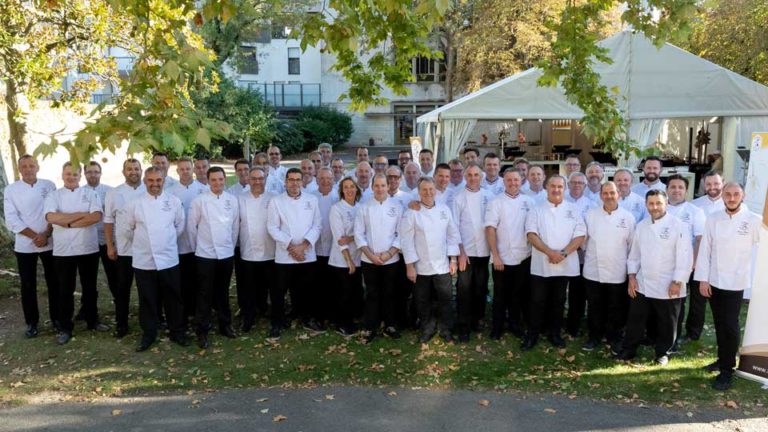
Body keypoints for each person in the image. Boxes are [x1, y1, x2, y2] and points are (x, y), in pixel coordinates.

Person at [695, 183, 762, 390]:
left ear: (743, 195)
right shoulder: (714, 219)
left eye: (736, 194)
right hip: (714, 280)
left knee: (730, 325)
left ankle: (727, 370)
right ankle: (722, 359)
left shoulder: (754, 220)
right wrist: (703, 279)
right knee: (719, 323)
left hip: (737, 281)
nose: (732, 198)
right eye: (728, 194)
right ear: (723, 196)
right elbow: (705, 250)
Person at [615, 190, 692, 366]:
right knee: (636, 319)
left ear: (666, 204)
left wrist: (677, 281)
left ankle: (663, 352)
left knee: (667, 322)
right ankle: (629, 349)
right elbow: (634, 254)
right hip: (643, 282)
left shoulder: (678, 226)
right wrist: (632, 276)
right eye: (651, 204)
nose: (655, 207)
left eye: (658, 203)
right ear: (646, 205)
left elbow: (685, 256)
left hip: (669, 283)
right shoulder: (641, 226)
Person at [124, 167, 189, 351]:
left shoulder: (174, 201)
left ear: (163, 181)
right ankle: (149, 334)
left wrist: (166, 242)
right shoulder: (134, 204)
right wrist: (144, 244)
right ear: (145, 182)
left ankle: (177, 331)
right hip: (144, 259)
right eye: (151, 181)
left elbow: (179, 226)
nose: (155, 184)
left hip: (168, 258)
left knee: (174, 297)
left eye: (158, 180)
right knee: (147, 298)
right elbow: (128, 230)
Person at [44, 162, 106, 345]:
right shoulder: (53, 196)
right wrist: (80, 215)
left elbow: (95, 217)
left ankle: (92, 320)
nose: (71, 177)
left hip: (88, 247)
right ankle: (65, 327)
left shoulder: (90, 194)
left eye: (75, 174)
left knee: (90, 287)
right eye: (68, 174)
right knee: (65, 289)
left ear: (81, 176)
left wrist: (66, 221)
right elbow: (50, 217)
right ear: (62, 175)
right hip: (63, 251)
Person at [522, 175, 586, 351]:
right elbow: (531, 234)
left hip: (564, 264)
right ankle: (533, 334)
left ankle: (554, 333)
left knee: (558, 300)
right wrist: (550, 252)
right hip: (541, 263)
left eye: (560, 186)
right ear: (546, 188)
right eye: (553, 186)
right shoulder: (536, 210)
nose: (556, 190)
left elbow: (580, 235)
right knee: (537, 300)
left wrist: (563, 254)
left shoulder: (574, 210)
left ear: (564, 189)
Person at [4, 155, 59, 338]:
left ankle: (57, 319)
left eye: (31, 166)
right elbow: (12, 219)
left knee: (54, 282)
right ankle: (32, 323)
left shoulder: (49, 185)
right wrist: (35, 236)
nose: (28, 169)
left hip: (49, 241)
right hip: (25, 244)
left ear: (38, 167)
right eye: (24, 166)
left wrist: (47, 233)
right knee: (28, 285)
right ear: (19, 169)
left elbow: (55, 211)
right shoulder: (11, 190)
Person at [401, 177, 460, 343]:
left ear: (435, 191)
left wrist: (453, 259)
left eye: (431, 189)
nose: (428, 193)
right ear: (419, 192)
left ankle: (446, 329)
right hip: (421, 265)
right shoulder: (411, 213)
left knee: (446, 299)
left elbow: (452, 235)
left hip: (442, 264)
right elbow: (406, 241)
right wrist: (410, 266)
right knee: (422, 300)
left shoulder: (444, 210)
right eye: (424, 190)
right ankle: (427, 328)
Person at [267, 168, 323, 339]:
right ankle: (277, 323)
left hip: (307, 254)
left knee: (308, 289)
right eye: (291, 180)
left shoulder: (312, 200)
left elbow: (317, 225)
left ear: (302, 182)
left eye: (298, 179)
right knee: (279, 292)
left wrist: (303, 246)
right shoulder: (276, 201)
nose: (294, 183)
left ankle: (307, 318)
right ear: (285, 182)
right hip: (285, 255)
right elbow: (272, 227)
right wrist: (292, 247)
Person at [187, 166, 240, 349]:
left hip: (226, 254)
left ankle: (225, 325)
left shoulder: (232, 200)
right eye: (214, 180)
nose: (217, 183)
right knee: (204, 293)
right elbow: (191, 229)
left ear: (225, 180)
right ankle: (202, 330)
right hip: (205, 254)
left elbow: (235, 228)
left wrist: (229, 248)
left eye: (220, 179)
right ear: (208, 181)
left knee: (223, 292)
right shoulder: (199, 201)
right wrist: (199, 249)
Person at [582, 182, 635, 352]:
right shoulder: (590, 215)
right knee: (594, 305)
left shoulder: (628, 217)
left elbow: (632, 246)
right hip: (593, 269)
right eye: (605, 193)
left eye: (612, 193)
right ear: (600, 196)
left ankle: (615, 338)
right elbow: (583, 242)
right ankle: (594, 336)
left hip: (617, 270)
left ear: (618, 194)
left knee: (616, 306)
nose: (609, 196)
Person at [354, 174, 404, 342]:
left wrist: (389, 253)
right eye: (377, 185)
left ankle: (390, 324)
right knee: (372, 293)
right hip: (369, 259)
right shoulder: (364, 207)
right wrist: (371, 255)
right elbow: (359, 235)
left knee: (390, 293)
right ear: (372, 187)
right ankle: (370, 326)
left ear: (388, 187)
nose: (380, 189)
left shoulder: (396, 207)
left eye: (383, 185)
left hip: (391, 259)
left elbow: (401, 233)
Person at [485, 168, 534, 340]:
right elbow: (490, 229)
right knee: (500, 295)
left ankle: (515, 324)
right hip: (502, 258)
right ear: (503, 181)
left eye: (516, 180)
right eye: (509, 180)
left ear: (521, 180)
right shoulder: (496, 202)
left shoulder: (529, 201)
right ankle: (497, 327)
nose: (513, 183)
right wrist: (496, 255)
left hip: (524, 256)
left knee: (518, 294)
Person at [104, 158, 146, 338]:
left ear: (141, 171)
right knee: (122, 289)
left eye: (136, 169)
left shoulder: (149, 190)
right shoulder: (114, 193)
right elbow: (108, 221)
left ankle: (150, 321)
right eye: (129, 169)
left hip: (145, 250)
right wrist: (110, 245)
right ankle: (122, 324)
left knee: (147, 289)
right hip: (124, 250)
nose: (133, 172)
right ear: (124, 172)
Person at [452, 163, 494, 342]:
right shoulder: (458, 198)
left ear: (481, 176)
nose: (473, 178)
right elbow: (453, 227)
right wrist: (460, 252)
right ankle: (463, 326)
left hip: (484, 251)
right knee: (463, 290)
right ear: (464, 177)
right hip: (466, 252)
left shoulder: (489, 196)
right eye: (469, 175)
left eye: (476, 174)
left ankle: (476, 320)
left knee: (481, 288)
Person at [665, 175, 705, 346]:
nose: (676, 190)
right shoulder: (659, 207)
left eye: (680, 187)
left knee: (679, 301)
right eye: (673, 187)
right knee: (663, 298)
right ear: (667, 190)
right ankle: (659, 332)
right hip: (663, 263)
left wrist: (692, 264)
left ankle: (677, 334)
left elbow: (699, 239)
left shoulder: (695, 211)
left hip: (686, 264)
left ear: (686, 191)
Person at [168, 158, 208, 327]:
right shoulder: (170, 192)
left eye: (188, 168)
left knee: (200, 281)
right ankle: (183, 314)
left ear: (193, 170)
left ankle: (201, 313)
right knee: (182, 281)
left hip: (201, 244)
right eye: (181, 169)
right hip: (179, 244)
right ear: (177, 171)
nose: (185, 171)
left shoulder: (204, 190)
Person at [237, 167, 276, 333]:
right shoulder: (240, 199)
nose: (257, 182)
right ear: (248, 180)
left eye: (260, 178)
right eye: (254, 179)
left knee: (270, 286)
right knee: (249, 287)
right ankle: (248, 317)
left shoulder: (273, 199)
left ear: (265, 179)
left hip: (270, 250)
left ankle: (271, 314)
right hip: (248, 249)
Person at [82, 161, 117, 321]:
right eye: (89, 172)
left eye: (96, 172)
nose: (93, 175)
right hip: (88, 240)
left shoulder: (110, 191)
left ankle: (119, 304)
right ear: (85, 174)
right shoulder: (80, 192)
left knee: (113, 275)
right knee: (88, 278)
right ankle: (87, 309)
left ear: (100, 173)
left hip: (107, 239)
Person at [329, 177, 363, 336]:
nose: (349, 190)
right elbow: (339, 238)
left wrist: (351, 238)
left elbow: (364, 233)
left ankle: (353, 319)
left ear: (357, 189)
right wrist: (349, 261)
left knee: (355, 291)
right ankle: (342, 324)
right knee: (344, 292)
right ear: (342, 191)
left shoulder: (361, 208)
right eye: (346, 187)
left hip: (359, 256)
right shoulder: (336, 209)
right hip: (342, 259)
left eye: (352, 187)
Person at [564, 172, 595, 337]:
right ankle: (562, 321)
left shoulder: (591, 205)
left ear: (585, 186)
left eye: (580, 183)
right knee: (561, 290)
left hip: (583, 256)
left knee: (578, 292)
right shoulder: (561, 201)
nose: (577, 185)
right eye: (573, 182)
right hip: (562, 254)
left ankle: (575, 324)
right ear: (568, 185)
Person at [311, 167, 339, 326]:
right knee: (318, 285)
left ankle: (333, 314)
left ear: (333, 180)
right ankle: (318, 315)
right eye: (322, 178)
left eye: (328, 178)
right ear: (317, 180)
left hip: (335, 250)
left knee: (334, 285)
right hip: (315, 249)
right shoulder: (311, 198)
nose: (325, 181)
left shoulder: (338, 197)